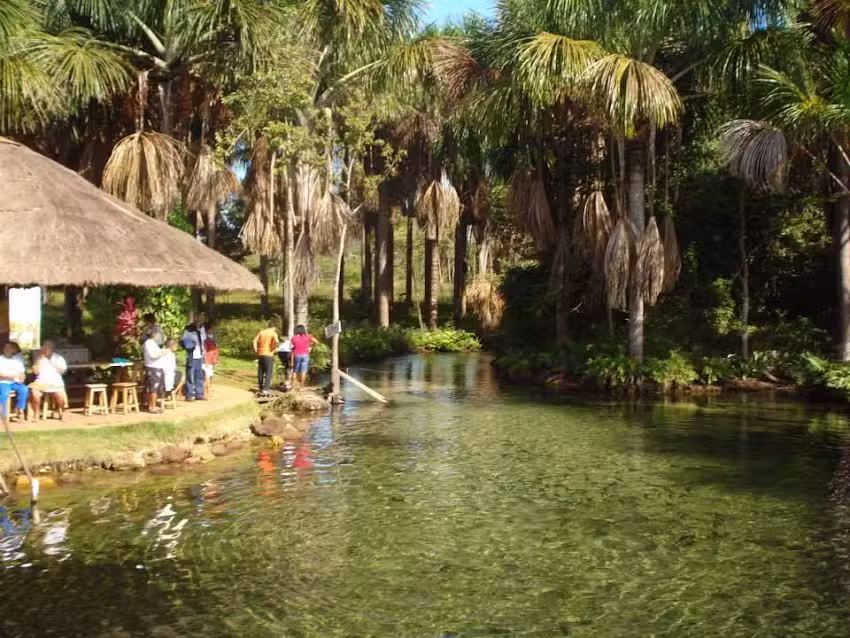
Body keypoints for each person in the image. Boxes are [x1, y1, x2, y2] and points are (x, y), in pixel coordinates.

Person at [28, 341, 67, 420]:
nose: (45, 349)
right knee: (34, 393)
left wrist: (53, 364)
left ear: (52, 349)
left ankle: (61, 412)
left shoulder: (58, 358)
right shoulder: (39, 358)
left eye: (47, 348)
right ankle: (36, 413)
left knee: (60, 395)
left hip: (55, 381)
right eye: (44, 348)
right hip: (41, 381)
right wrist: (39, 361)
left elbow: (62, 371)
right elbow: (35, 372)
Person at [181, 313, 206, 401]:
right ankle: (189, 394)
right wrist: (191, 343)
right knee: (190, 375)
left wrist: (204, 353)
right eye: (198, 319)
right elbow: (184, 340)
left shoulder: (202, 328)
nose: (200, 321)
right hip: (191, 355)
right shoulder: (188, 329)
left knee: (199, 375)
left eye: (201, 319)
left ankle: (199, 394)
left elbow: (203, 340)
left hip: (200, 355)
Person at [0, 342, 28, 421]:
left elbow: (22, 372)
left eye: (10, 348)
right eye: (6, 348)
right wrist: (12, 376)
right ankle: (3, 413)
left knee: (24, 390)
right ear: (3, 349)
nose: (8, 349)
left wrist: (22, 378)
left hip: (15, 382)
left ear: (13, 350)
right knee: (4, 394)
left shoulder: (17, 360)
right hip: (3, 382)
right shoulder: (1, 359)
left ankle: (20, 410)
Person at [253, 319, 279, 395]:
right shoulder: (273, 333)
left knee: (260, 371)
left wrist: (256, 350)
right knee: (268, 372)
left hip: (260, 353)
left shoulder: (261, 332)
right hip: (268, 354)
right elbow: (277, 342)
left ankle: (260, 387)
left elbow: (254, 341)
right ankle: (266, 389)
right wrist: (273, 348)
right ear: (274, 327)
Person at [143, 327, 166, 413]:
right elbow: (153, 355)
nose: (159, 336)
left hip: (156, 367)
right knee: (153, 388)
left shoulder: (153, 343)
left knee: (155, 388)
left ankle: (152, 405)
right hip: (153, 368)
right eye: (159, 334)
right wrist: (162, 353)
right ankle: (152, 407)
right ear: (154, 334)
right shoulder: (149, 343)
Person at [290, 324, 319, 390]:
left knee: (295, 371)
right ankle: (301, 387)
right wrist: (310, 346)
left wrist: (291, 361)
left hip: (297, 355)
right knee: (303, 371)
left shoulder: (293, 338)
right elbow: (316, 342)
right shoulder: (308, 336)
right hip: (305, 355)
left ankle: (293, 387)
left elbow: (292, 349)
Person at [203, 320, 219, 399]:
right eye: (212, 328)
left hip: (213, 358)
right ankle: (207, 392)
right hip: (208, 358)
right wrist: (206, 360)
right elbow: (204, 349)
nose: (213, 329)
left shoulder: (214, 336)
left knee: (211, 374)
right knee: (207, 375)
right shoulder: (205, 338)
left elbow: (216, 346)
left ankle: (210, 389)